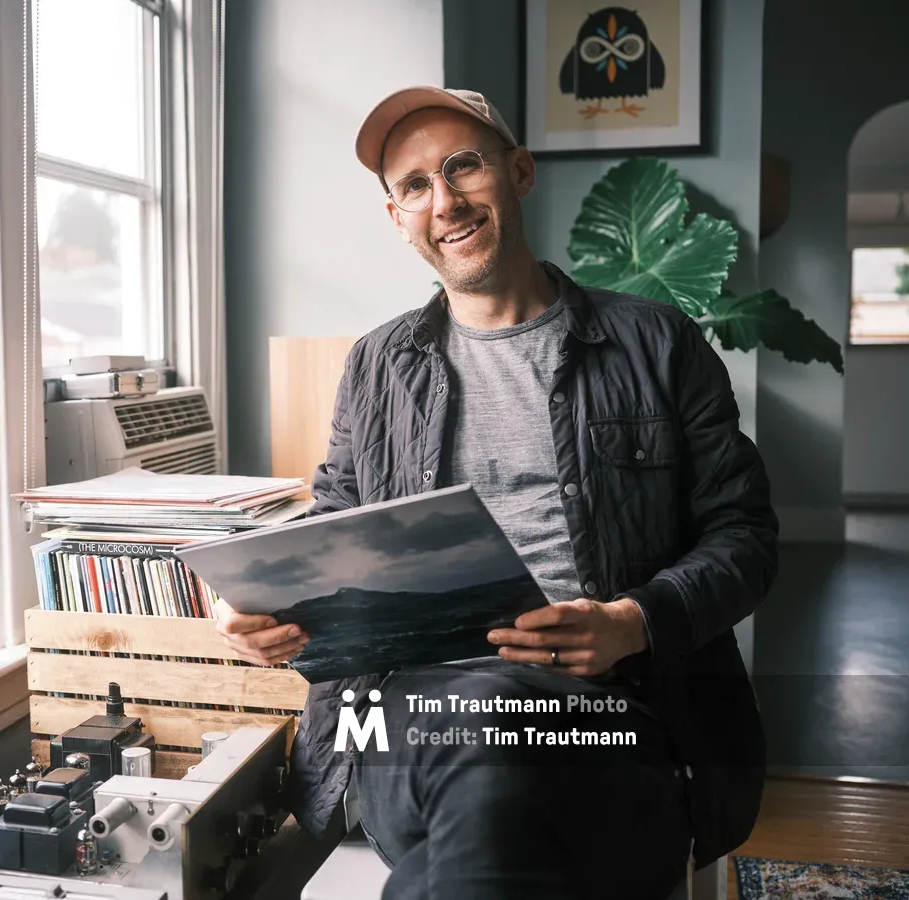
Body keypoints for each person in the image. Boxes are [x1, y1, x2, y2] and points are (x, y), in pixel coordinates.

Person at [214, 87, 777, 899]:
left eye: (462, 166)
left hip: (612, 707)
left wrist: (633, 622)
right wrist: (265, 606)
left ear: (519, 172)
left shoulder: (658, 343)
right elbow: (335, 524)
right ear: (397, 216)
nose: (443, 202)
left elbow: (745, 536)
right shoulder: (376, 366)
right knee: (489, 739)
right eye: (414, 186)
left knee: (493, 791)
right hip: (407, 717)